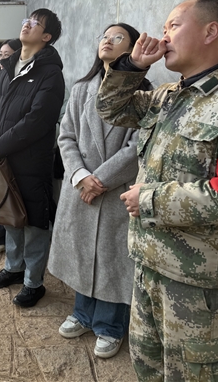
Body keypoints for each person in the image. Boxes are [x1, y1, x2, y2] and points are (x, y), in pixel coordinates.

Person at [96, 0, 218, 381]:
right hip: (148, 267)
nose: (163, 36)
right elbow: (111, 109)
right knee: (147, 370)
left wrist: (147, 199)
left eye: (173, 26)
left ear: (211, 31)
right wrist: (132, 66)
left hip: (197, 289)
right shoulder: (168, 96)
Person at [48, 23, 152, 359]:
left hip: (115, 189)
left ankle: (110, 326)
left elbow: (139, 147)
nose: (107, 40)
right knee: (82, 252)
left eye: (117, 37)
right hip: (80, 188)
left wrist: (101, 179)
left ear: (134, 49)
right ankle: (82, 313)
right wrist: (80, 175)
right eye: (104, 36)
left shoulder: (145, 95)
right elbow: (66, 137)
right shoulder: (81, 88)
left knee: (111, 257)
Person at [0, 9, 65, 308]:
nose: (26, 24)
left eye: (35, 23)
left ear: (46, 37)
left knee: (34, 223)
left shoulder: (50, 73)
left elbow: (37, 121)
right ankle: (13, 268)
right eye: (26, 20)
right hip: (3, 159)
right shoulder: (8, 68)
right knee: (11, 217)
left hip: (32, 162)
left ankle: (34, 282)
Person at [0, 38, 22, 255]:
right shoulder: (0, 78)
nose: (2, 60)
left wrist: (1, 145)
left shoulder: (34, 78)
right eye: (0, 55)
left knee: (15, 199)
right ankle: (1, 238)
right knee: (0, 194)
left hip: (15, 148)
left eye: (6, 55)